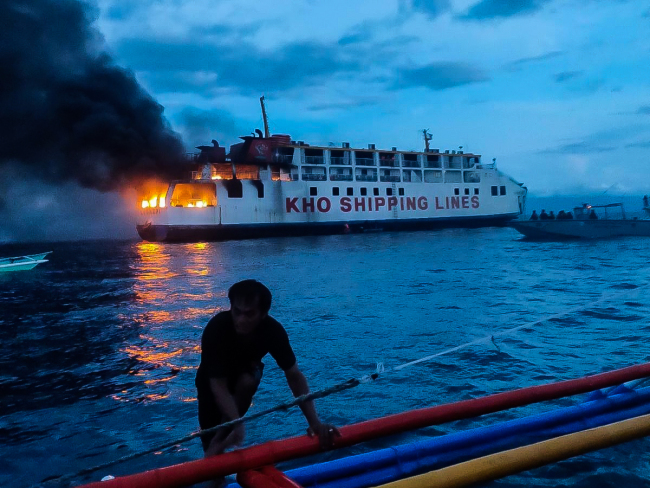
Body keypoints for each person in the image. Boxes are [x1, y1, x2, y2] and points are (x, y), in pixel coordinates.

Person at [195, 280, 340, 463]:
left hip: (246, 374)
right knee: (212, 449)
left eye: (249, 314)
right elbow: (218, 385)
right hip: (211, 383)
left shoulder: (273, 331)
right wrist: (237, 424)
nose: (241, 320)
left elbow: (294, 376)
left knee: (248, 381)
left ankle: (222, 438)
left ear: (263, 314)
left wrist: (314, 422)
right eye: (237, 312)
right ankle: (216, 454)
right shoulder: (217, 328)